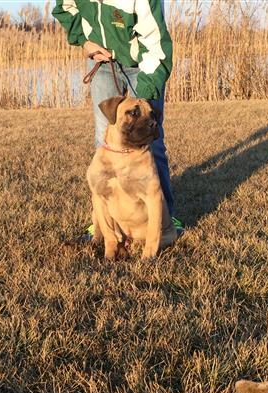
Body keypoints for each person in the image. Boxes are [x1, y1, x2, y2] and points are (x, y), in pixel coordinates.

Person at [52, 0, 184, 239]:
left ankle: (165, 220)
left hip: (143, 65)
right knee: (105, 139)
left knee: (150, 139)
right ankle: (104, 226)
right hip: (101, 64)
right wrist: (85, 42)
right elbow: (65, 7)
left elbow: (157, 47)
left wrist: (139, 108)